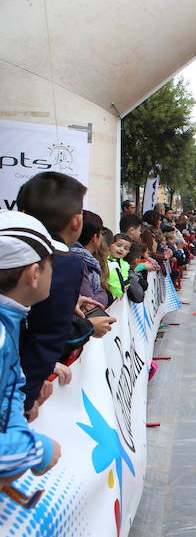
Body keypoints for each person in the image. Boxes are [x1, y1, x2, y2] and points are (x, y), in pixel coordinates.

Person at [17, 172, 113, 421]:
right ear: (76, 222)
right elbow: (46, 336)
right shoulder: (64, 262)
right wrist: (26, 401)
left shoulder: (18, 250)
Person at [0, 211, 66, 488]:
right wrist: (39, 450)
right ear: (33, 273)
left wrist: (15, 424)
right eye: (51, 263)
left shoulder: (10, 318)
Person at [74, 210, 111, 307]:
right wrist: (104, 295)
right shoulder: (79, 262)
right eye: (101, 232)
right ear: (95, 237)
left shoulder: (91, 261)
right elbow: (89, 303)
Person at [107, 234, 133, 300]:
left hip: (119, 299)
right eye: (118, 245)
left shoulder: (126, 265)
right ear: (110, 245)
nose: (121, 249)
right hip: (109, 298)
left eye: (125, 248)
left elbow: (126, 281)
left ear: (128, 252)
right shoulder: (104, 261)